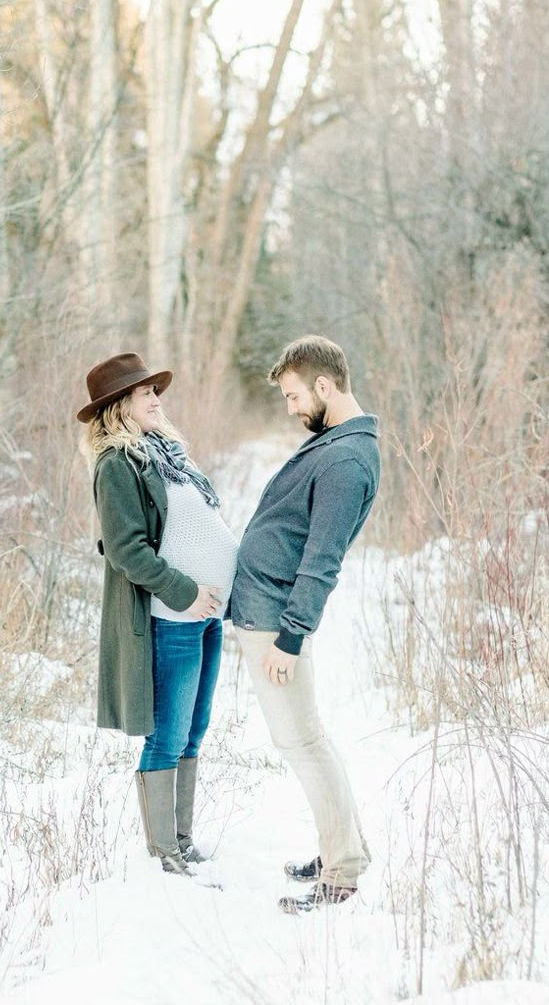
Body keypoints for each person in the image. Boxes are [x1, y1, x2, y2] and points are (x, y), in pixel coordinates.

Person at [231, 335, 380, 914]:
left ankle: (341, 872)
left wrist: (290, 638)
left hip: (276, 623)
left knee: (304, 743)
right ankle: (343, 849)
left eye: (294, 397)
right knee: (307, 740)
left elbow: (323, 559)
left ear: (324, 386)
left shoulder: (345, 459)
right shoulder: (335, 443)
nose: (292, 409)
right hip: (265, 613)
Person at [77, 352, 238, 876]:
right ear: (120, 404)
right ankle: (164, 853)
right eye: (145, 392)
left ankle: (183, 840)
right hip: (173, 615)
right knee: (167, 732)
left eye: (154, 391)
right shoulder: (116, 465)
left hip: (205, 613)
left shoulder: (166, 453)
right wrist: (184, 591)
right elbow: (126, 549)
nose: (155, 398)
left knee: (194, 729)